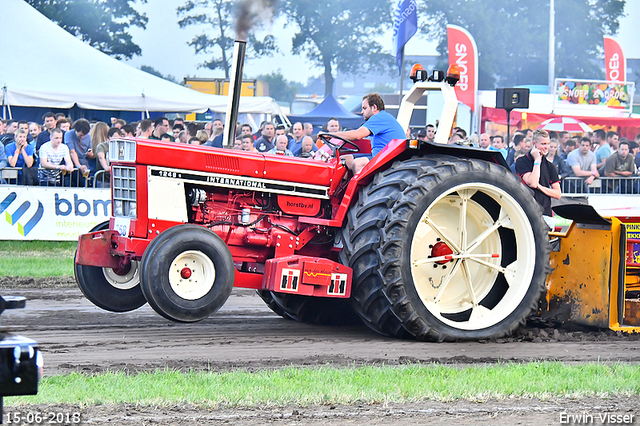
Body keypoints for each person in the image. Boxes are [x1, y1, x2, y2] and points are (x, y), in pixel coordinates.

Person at [324, 93, 405, 174]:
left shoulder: (379, 117)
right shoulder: (384, 117)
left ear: (374, 107)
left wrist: (332, 135)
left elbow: (357, 135)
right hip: (379, 156)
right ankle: (340, 187)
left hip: (387, 159)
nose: (362, 112)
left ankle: (359, 187)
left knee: (358, 163)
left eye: (364, 108)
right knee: (344, 160)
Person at [515, 129, 561, 226]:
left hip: (546, 214)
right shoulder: (522, 161)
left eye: (548, 144)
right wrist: (537, 160)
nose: (546, 147)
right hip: (527, 212)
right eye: (543, 144)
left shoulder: (550, 166)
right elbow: (532, 182)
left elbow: (557, 194)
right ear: (534, 144)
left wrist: (539, 187)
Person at [66, 118, 94, 185]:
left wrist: (90, 154)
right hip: (73, 165)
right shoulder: (69, 134)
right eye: (81, 135)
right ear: (75, 130)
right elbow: (72, 151)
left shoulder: (88, 136)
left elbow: (90, 150)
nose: (83, 137)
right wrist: (78, 166)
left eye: (84, 135)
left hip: (85, 165)